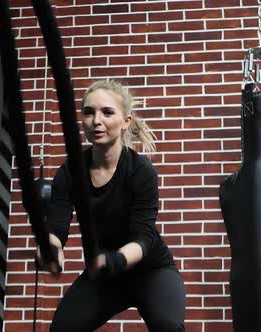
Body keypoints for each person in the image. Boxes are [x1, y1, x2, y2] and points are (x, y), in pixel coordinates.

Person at [40, 79, 186, 331]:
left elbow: (143, 238)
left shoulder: (141, 171)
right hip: (105, 275)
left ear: (125, 121)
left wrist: (115, 259)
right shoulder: (70, 172)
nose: (96, 120)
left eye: (107, 112)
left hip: (151, 271)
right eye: (89, 112)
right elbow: (57, 227)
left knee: (167, 326)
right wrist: (50, 248)